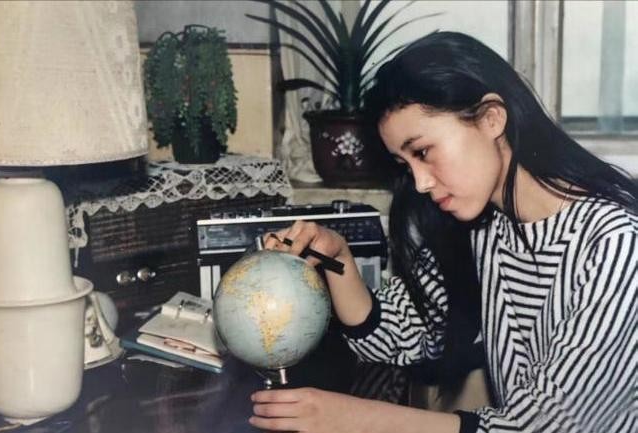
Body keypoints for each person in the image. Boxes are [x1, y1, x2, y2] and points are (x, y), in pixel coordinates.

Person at [249, 31, 638, 433]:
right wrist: (338, 259)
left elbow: (543, 427)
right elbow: (399, 335)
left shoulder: (617, 243)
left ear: (491, 118)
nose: (420, 183)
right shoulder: (486, 226)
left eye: (422, 152)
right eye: (406, 164)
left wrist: (352, 418)